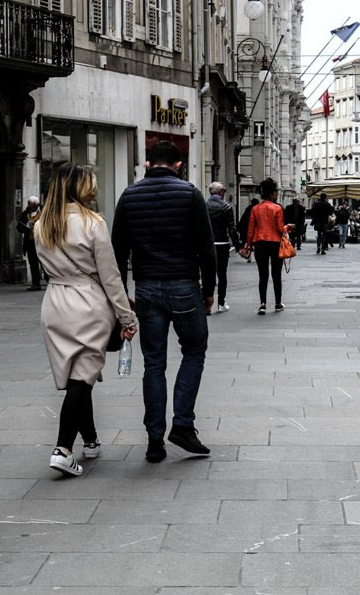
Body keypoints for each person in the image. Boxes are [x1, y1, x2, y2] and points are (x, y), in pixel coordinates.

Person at [111, 141, 215, 463]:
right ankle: (182, 425)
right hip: (184, 285)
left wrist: (121, 296)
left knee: (154, 363)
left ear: (148, 164)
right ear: (178, 165)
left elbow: (118, 251)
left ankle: (154, 439)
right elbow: (206, 248)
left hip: (146, 288)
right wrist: (210, 291)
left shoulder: (129, 196)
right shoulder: (190, 194)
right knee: (194, 351)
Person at [34, 163, 137, 477]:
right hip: (88, 304)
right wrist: (127, 316)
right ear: (81, 188)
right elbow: (111, 277)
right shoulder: (93, 223)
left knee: (78, 376)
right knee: (82, 378)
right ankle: (63, 449)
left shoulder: (41, 224)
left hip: (55, 303)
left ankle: (90, 439)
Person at [246, 178, 289, 315]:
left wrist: (248, 246)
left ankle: (263, 304)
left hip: (260, 243)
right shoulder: (277, 208)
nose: (277, 193)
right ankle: (278, 303)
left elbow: (251, 230)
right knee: (276, 275)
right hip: (275, 243)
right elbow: (280, 229)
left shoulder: (255, 209)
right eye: (275, 191)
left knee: (262, 275)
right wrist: (288, 227)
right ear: (271, 193)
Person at [207, 182, 240, 314]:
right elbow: (232, 229)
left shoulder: (204, 205)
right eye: (224, 190)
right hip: (222, 244)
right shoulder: (226, 207)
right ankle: (221, 302)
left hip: (208, 245)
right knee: (222, 274)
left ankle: (207, 304)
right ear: (220, 192)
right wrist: (238, 247)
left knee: (208, 274)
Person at [18, 196, 44, 290]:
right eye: (29, 205)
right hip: (30, 242)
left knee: (44, 262)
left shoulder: (44, 212)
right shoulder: (25, 214)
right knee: (33, 263)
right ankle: (36, 284)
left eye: (32, 205)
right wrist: (26, 228)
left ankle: (50, 281)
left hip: (42, 242)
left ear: (36, 204)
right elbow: (19, 227)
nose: (30, 207)